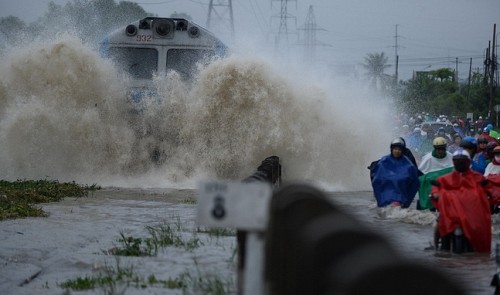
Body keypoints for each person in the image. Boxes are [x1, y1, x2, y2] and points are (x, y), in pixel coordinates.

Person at [429, 148, 491, 253]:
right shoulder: (445, 178)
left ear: (468, 162)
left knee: (482, 225)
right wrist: (436, 194)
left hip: (470, 212)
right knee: (438, 223)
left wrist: (487, 194)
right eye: (457, 161)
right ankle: (435, 244)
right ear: (453, 162)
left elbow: (487, 188)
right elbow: (436, 188)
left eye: (463, 161)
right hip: (450, 211)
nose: (460, 163)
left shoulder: (477, 177)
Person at [369, 138, 420, 208]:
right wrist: (379, 200)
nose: (397, 151)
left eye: (399, 149)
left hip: (400, 199)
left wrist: (407, 202)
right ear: (391, 149)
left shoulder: (409, 165)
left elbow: (415, 183)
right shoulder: (383, 162)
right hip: (384, 199)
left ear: (402, 150)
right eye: (395, 149)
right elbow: (376, 182)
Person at [417, 137, 454, 210]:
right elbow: (420, 175)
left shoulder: (451, 157)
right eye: (438, 149)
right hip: (432, 187)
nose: (440, 151)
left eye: (442, 149)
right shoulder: (428, 158)